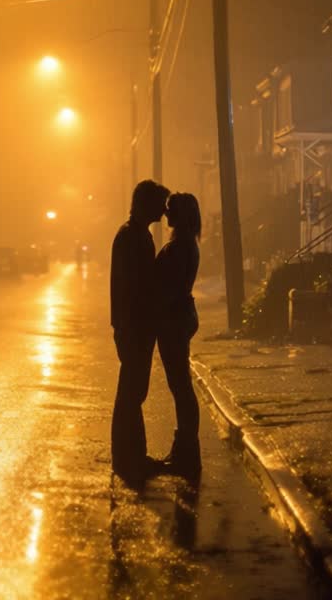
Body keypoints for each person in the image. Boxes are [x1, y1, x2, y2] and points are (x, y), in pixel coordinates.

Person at [110, 179, 170, 484]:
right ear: (147, 204)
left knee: (133, 393)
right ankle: (128, 457)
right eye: (160, 203)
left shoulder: (134, 235)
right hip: (134, 326)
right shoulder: (133, 238)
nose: (164, 210)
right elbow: (133, 287)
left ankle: (131, 454)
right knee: (131, 393)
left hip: (134, 325)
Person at [154, 192, 202, 478]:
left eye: (170, 209)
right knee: (180, 386)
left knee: (181, 387)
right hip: (180, 315)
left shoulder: (179, 247)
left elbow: (168, 287)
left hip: (174, 318)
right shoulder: (185, 244)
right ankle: (184, 450)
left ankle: (186, 452)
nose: (165, 213)